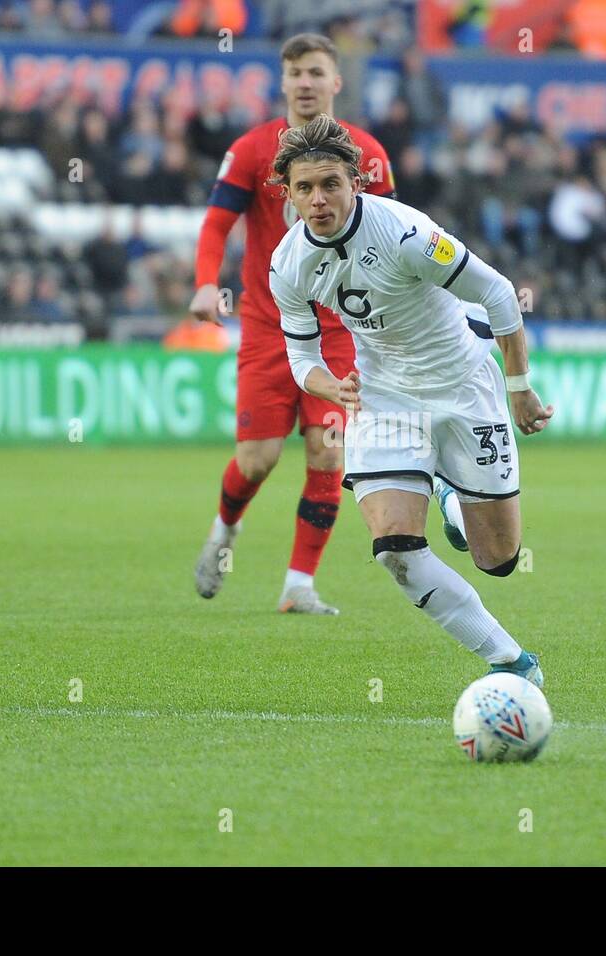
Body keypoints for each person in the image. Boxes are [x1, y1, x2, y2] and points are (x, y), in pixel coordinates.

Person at [269, 114, 553, 687]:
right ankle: (511, 662)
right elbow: (304, 360)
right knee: (395, 549)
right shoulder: (289, 263)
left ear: (356, 182)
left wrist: (519, 387)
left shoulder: (405, 234)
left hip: (464, 385)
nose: (318, 199)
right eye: (304, 188)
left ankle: (448, 493)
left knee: (497, 559)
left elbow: (498, 293)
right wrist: (334, 387)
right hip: (385, 398)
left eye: (330, 184)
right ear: (289, 194)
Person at [189, 34, 395, 614]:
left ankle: (299, 585)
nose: (305, 82)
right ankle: (224, 530)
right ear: (282, 83)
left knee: (329, 454)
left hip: (339, 332)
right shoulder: (254, 149)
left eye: (316, 72)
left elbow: (395, 230)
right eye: (295, 73)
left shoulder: (368, 154)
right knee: (257, 459)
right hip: (267, 328)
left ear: (336, 82)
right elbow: (214, 224)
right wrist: (207, 280)